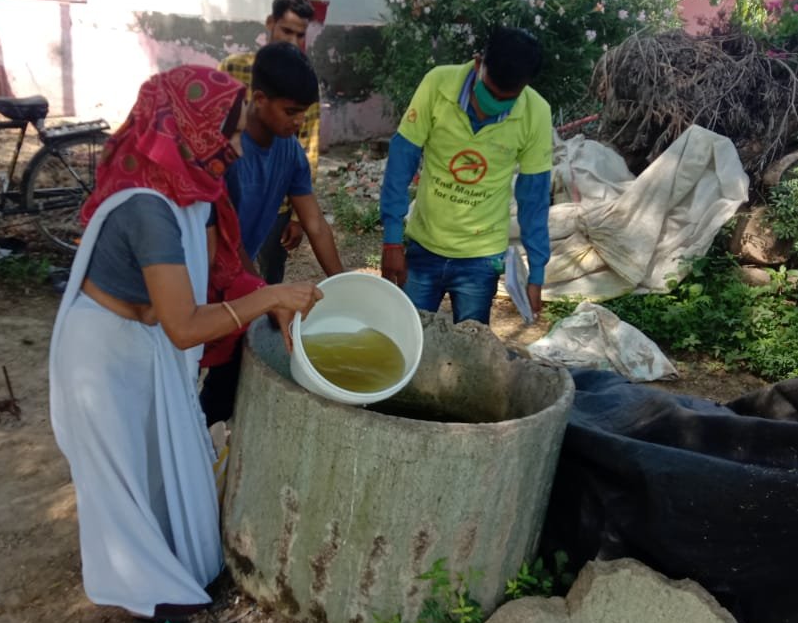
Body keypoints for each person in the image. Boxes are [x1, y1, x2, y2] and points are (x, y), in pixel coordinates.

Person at [49, 66, 322, 621]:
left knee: (158, 463)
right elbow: (184, 326)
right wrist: (270, 298)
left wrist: (268, 301)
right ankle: (147, 594)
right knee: (119, 480)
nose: (237, 148)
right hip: (103, 352)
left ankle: (171, 567)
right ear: (189, 130)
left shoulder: (187, 183)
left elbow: (222, 268)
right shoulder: (148, 205)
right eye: (227, 135)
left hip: (140, 342)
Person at [199, 41, 343, 426]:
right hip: (200, 279)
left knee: (227, 380)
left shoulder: (290, 153)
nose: (298, 122)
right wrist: (266, 294)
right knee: (182, 375)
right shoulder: (225, 150)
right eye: (291, 112)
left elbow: (315, 224)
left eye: (304, 113)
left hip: (236, 279)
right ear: (259, 99)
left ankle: (208, 447)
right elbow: (226, 245)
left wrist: (343, 286)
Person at [379, 26, 552, 324]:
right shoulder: (438, 85)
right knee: (407, 337)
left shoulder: (536, 113)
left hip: (482, 259)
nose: (493, 105)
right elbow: (400, 163)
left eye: (506, 98)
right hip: (424, 247)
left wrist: (536, 274)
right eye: (491, 92)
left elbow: (533, 199)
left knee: (471, 351)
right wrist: (392, 241)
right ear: (478, 63)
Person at [218, 0, 321, 284]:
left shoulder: (290, 145)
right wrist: (264, 298)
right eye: (286, 31)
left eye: (299, 35)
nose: (292, 41)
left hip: (278, 202)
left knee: (270, 273)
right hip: (230, 215)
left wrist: (298, 216)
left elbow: (308, 148)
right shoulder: (226, 156)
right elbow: (225, 240)